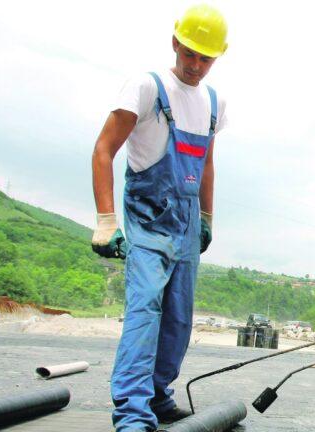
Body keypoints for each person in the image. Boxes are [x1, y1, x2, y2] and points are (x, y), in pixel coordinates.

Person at [90, 4, 229, 431]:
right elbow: (104, 150)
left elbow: (205, 162)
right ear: (175, 43)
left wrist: (206, 213)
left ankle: (157, 394)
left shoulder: (214, 102)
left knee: (179, 317)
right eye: (190, 54)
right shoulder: (146, 88)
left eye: (206, 58)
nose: (195, 65)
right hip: (148, 216)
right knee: (145, 310)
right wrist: (106, 219)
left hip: (187, 219)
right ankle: (132, 413)